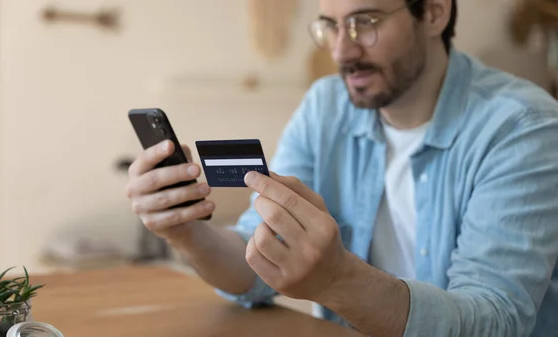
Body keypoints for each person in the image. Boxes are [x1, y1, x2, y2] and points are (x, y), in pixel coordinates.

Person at [124, 0, 558, 336]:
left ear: (433, 12)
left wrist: (336, 280)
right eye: (330, 25)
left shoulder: (522, 127)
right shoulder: (325, 106)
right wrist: (186, 232)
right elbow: (254, 269)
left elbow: (497, 321)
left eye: (364, 22)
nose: (341, 49)